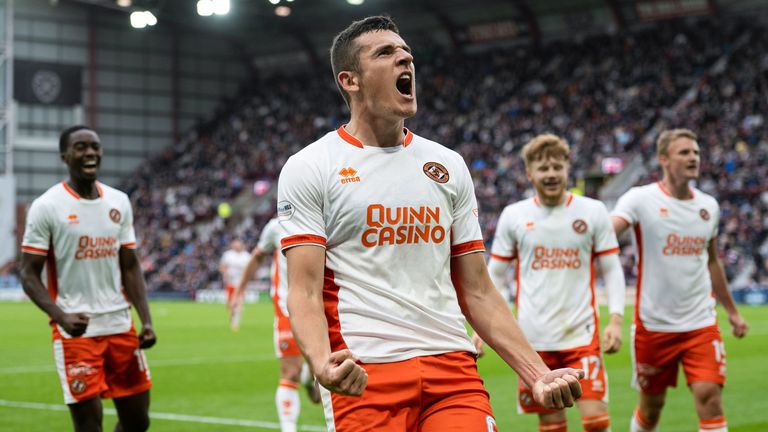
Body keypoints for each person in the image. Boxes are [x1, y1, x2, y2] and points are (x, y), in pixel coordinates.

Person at [277, 16, 584, 431]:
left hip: (452, 369)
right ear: (350, 80)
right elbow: (304, 289)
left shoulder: (447, 165)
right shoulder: (311, 167)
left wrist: (537, 373)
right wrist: (321, 364)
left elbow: (476, 288)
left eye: (406, 52)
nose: (405, 57)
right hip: (365, 373)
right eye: (385, 53)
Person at [477, 134, 626, 432]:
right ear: (530, 173)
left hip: (581, 336)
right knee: (551, 423)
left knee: (596, 421)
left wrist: (617, 320)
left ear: (567, 169)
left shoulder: (593, 211)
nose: (551, 174)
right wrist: (483, 328)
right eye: (543, 168)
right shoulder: (514, 216)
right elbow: (496, 276)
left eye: (557, 167)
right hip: (533, 340)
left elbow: (611, 269)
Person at [611, 128, 749, 432]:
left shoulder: (708, 206)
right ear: (664, 159)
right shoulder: (640, 199)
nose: (693, 158)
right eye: (684, 152)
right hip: (654, 326)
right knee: (652, 406)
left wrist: (733, 312)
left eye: (696, 152)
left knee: (709, 395)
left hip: (700, 323)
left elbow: (712, 262)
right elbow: (608, 231)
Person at [19, 125, 156, 432]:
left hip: (121, 326)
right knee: (89, 426)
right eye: (81, 147)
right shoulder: (47, 206)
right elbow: (27, 272)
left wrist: (145, 320)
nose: (90, 152)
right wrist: (60, 316)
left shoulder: (119, 202)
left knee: (138, 422)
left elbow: (130, 266)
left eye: (95, 146)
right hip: (76, 333)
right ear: (64, 156)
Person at [235, 217, 321, 432]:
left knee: (321, 367)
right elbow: (257, 256)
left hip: (322, 306)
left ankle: (309, 378)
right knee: (289, 372)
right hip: (286, 307)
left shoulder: (325, 219)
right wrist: (240, 289)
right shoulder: (276, 226)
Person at [219, 238, 250, 331]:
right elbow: (222, 267)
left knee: (239, 302)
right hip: (230, 283)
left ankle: (235, 323)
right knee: (230, 304)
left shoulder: (246, 256)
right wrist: (225, 273)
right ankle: (233, 317)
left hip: (241, 284)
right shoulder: (227, 255)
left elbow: (249, 269)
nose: (237, 246)